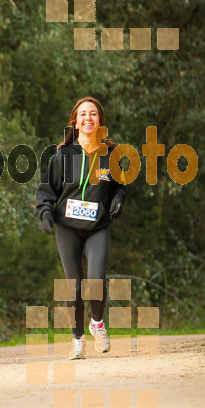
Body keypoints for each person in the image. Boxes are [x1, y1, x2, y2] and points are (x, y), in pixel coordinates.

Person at [35, 96, 126, 359]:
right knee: (73, 286)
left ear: (100, 121)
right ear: (75, 121)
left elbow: (120, 186)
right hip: (67, 226)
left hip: (98, 226)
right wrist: (45, 214)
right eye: (83, 114)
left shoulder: (111, 154)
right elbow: (46, 191)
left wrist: (118, 200)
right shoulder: (62, 155)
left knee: (96, 280)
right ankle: (77, 338)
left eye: (93, 114)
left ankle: (97, 323)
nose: (88, 118)